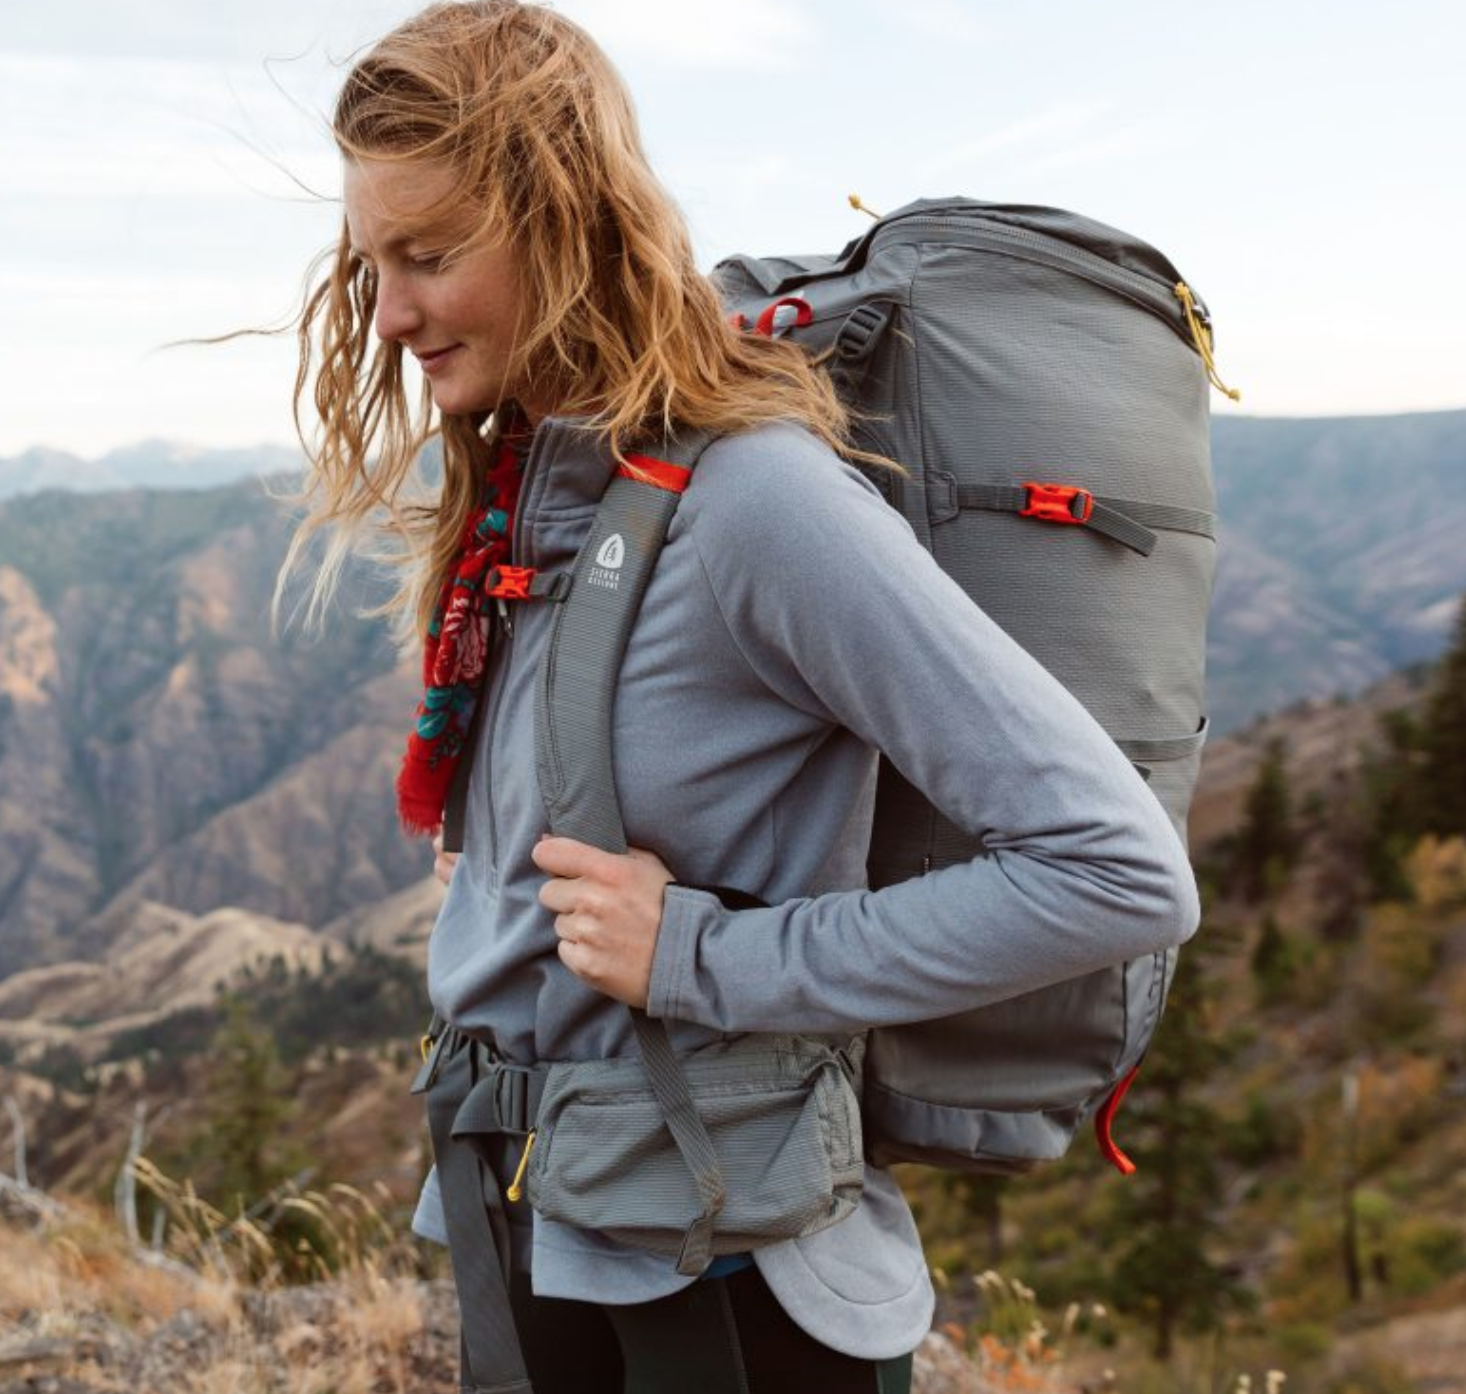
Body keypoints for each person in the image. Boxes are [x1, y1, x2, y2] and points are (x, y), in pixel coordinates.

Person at [272, 3, 1200, 1390]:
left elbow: (1118, 873)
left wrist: (698, 958)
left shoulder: (758, 501)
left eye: (430, 255)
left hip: (731, 1290)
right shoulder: (541, 496)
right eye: (372, 264)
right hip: (535, 1229)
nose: (392, 314)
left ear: (566, 225)